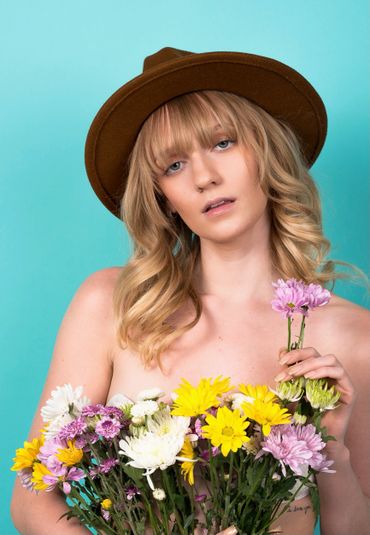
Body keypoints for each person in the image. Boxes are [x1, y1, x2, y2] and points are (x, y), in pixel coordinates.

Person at [11, 47, 370, 535]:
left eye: (223, 143)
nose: (204, 177)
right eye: (174, 166)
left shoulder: (355, 337)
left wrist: (331, 448)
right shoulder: (112, 304)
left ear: (267, 151)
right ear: (161, 195)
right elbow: (33, 498)